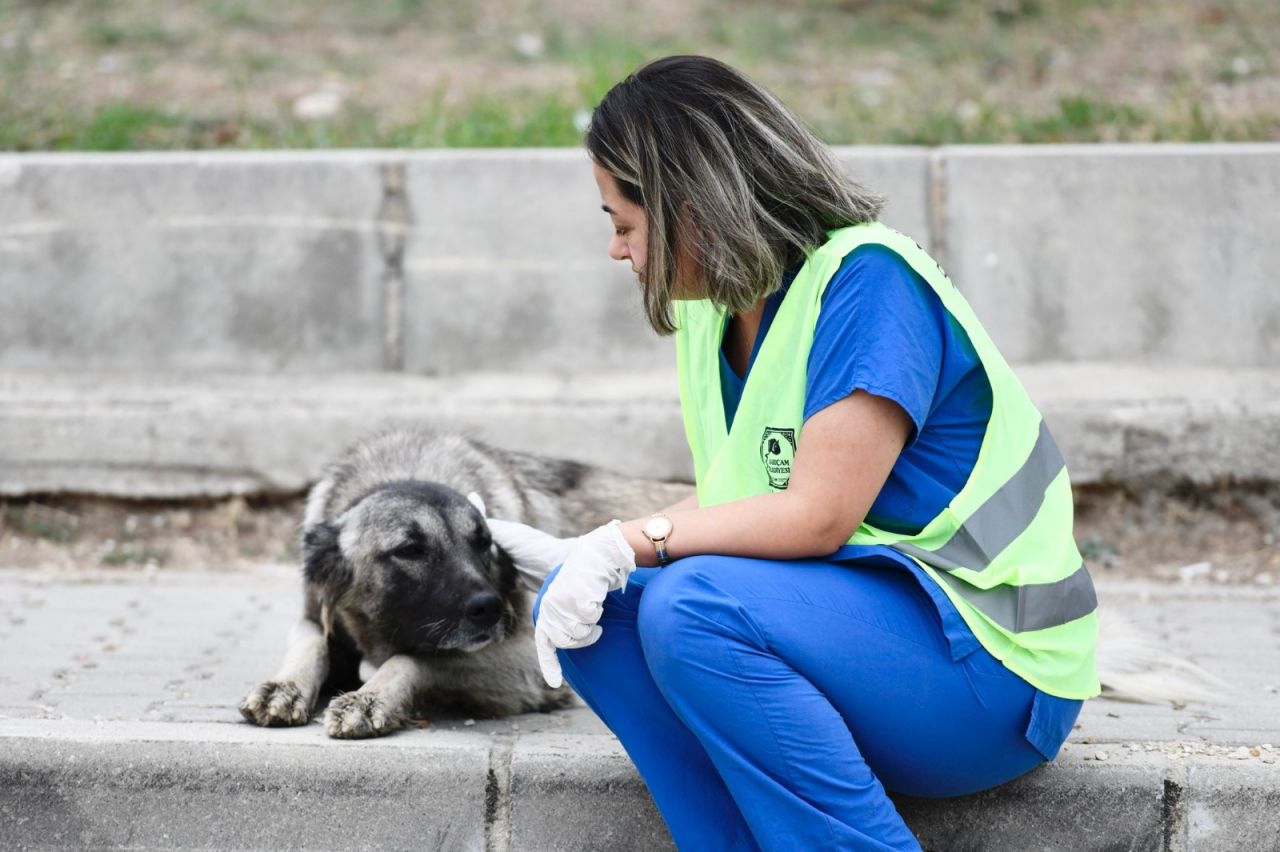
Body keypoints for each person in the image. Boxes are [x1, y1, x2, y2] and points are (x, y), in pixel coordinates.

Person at [488, 55, 1099, 851]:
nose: (616, 250)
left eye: (624, 223)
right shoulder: (717, 311)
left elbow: (815, 516)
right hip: (875, 643)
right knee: (588, 620)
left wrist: (631, 540)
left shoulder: (867, 282)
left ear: (688, 207)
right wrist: (589, 557)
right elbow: (743, 498)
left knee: (695, 606)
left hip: (995, 673)